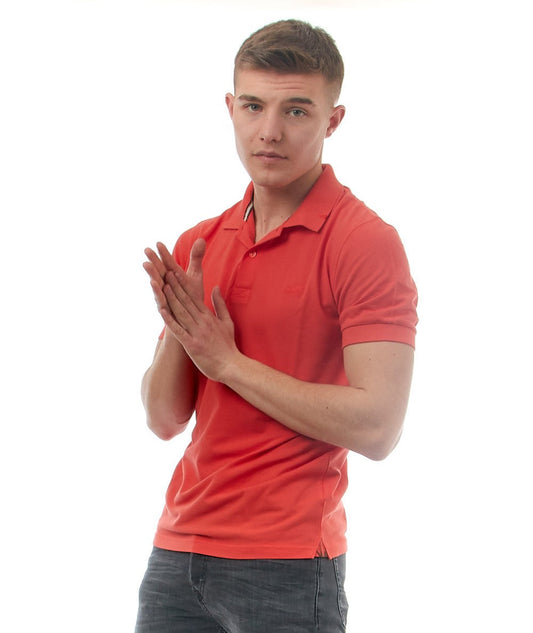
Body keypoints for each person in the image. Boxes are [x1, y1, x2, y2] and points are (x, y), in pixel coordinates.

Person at [135, 19, 417, 633]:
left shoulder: (364, 242)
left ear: (332, 121)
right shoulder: (201, 241)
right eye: (254, 106)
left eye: (296, 110)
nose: (269, 131)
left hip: (287, 563)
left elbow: (379, 428)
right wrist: (182, 331)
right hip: (177, 552)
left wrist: (228, 364)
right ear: (230, 108)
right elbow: (162, 420)